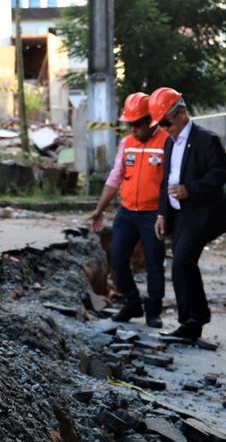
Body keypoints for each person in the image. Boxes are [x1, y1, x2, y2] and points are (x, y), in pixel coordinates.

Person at [150, 87, 226, 341]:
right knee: (180, 266)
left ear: (182, 113)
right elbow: (167, 180)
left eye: (167, 122)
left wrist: (190, 190)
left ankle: (194, 321)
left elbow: (221, 173)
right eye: (161, 124)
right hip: (179, 215)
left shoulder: (206, 140)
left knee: (183, 262)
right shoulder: (168, 142)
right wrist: (161, 214)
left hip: (201, 214)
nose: (165, 128)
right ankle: (191, 321)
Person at [87, 92, 169, 328]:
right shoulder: (127, 144)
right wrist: (99, 209)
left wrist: (166, 214)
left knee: (154, 263)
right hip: (127, 213)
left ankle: (154, 311)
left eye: (137, 124)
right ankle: (132, 303)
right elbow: (115, 178)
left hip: (154, 214)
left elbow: (171, 181)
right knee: (117, 257)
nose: (133, 129)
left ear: (150, 121)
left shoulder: (166, 143)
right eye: (129, 124)